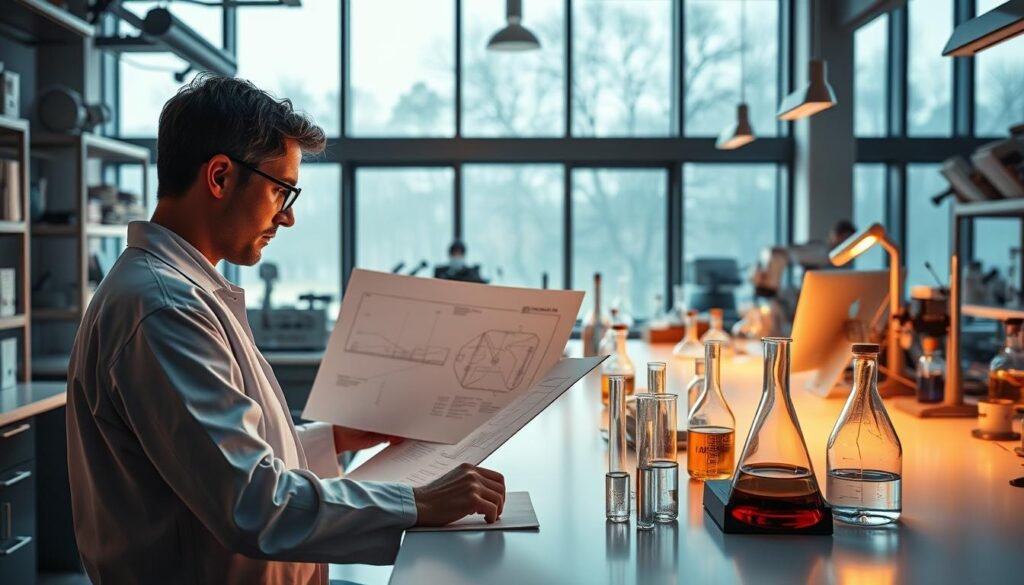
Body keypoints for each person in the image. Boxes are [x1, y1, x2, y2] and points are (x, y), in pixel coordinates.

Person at [65, 75, 505, 585]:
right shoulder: (164, 309)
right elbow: (253, 502)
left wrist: (332, 439)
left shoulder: (177, 292)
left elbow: (215, 456)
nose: (288, 217)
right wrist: (416, 503)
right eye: (281, 190)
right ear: (221, 177)